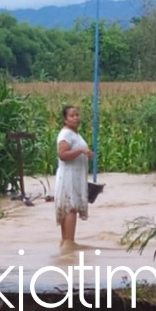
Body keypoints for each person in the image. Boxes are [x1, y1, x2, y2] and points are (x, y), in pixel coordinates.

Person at [54, 104, 93, 250]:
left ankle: (67, 243)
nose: (76, 118)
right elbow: (62, 155)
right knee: (70, 207)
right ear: (65, 119)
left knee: (70, 207)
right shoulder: (65, 134)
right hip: (69, 176)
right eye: (72, 115)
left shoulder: (75, 134)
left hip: (76, 175)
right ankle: (69, 242)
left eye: (77, 115)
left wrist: (87, 153)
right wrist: (81, 150)